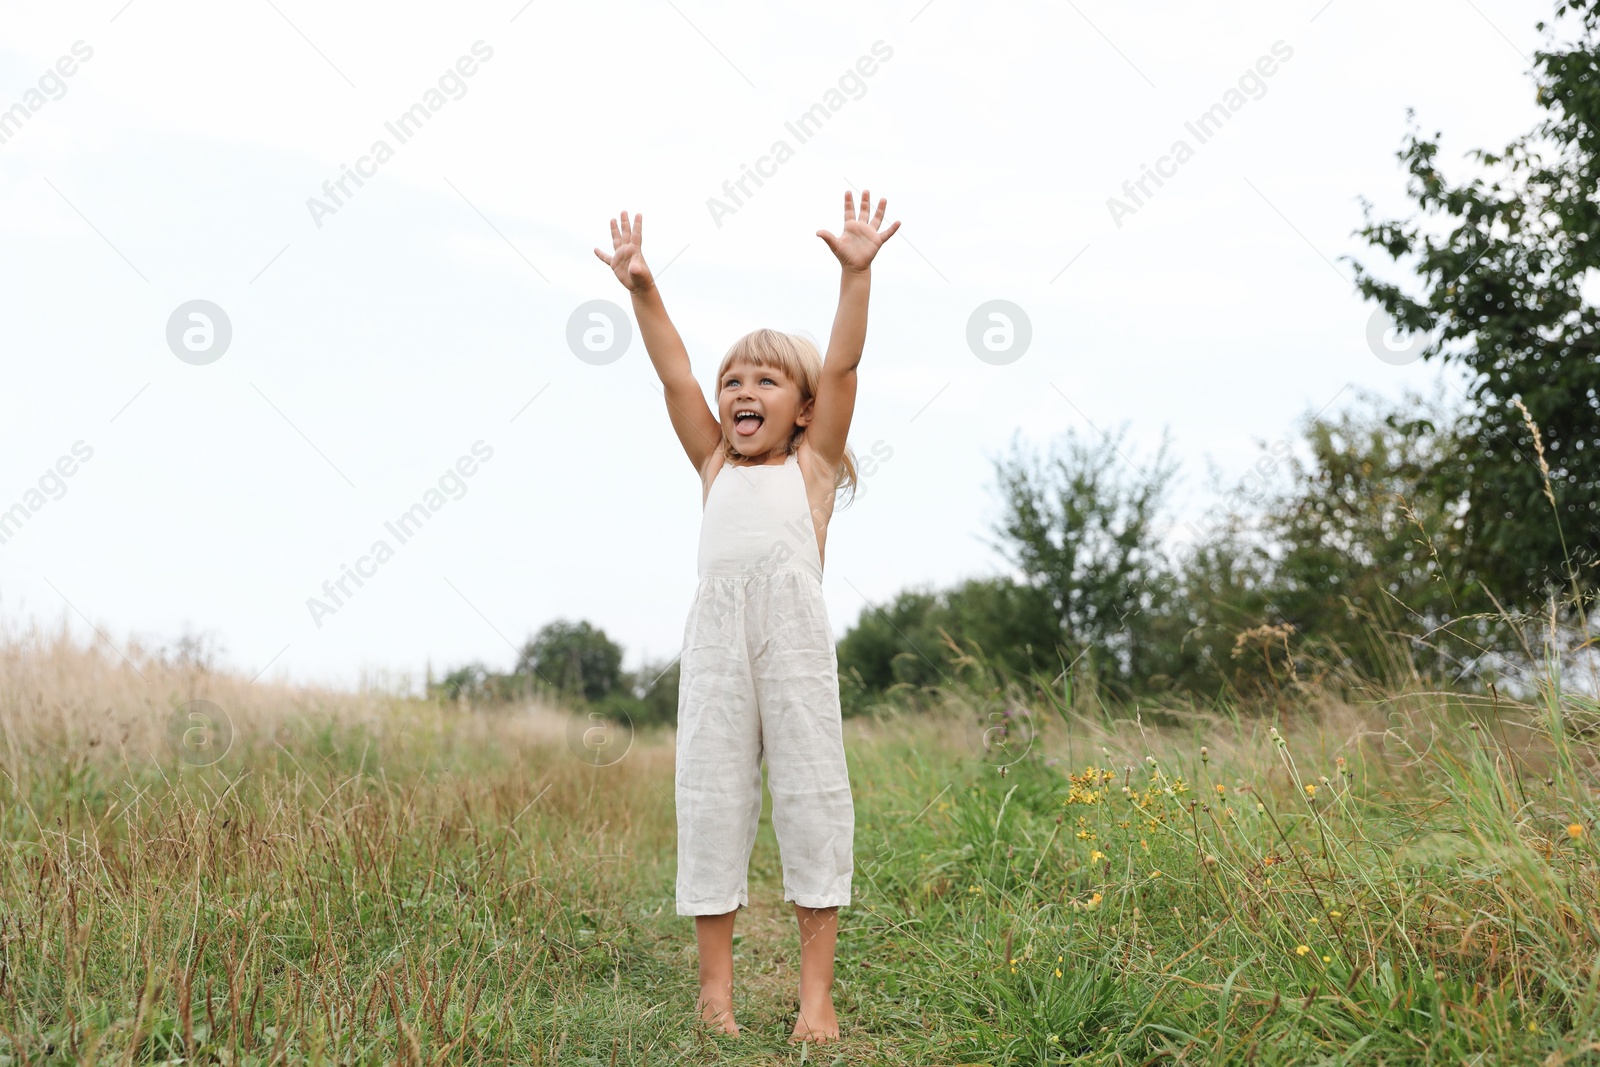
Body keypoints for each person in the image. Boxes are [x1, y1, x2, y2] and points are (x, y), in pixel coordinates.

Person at [593, 190, 900, 1043]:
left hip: (792, 643)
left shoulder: (814, 468)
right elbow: (674, 373)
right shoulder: (713, 463)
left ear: (801, 409)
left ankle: (815, 997)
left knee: (811, 798)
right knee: (711, 798)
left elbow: (840, 367)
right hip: (718, 647)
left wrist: (856, 278)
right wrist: (642, 290)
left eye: (766, 378)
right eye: (736, 379)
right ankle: (715, 994)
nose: (741, 389)